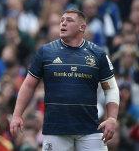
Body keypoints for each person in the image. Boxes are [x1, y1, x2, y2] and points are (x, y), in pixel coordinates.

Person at [9, 9, 119, 150]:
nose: (63, 23)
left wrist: (112, 118)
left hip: (90, 129)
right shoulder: (45, 51)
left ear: (82, 27)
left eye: (69, 20)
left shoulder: (98, 53)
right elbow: (28, 86)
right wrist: (17, 115)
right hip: (55, 129)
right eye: (62, 20)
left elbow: (111, 88)